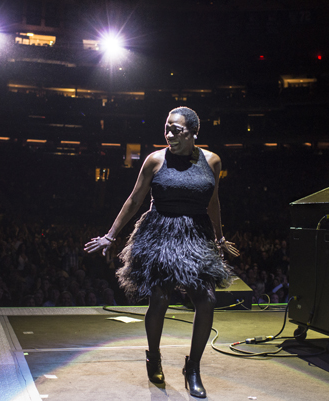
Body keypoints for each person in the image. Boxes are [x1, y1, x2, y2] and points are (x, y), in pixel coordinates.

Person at [84, 107, 239, 398]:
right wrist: (110, 236)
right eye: (166, 128)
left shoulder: (212, 161)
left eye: (176, 130)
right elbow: (134, 200)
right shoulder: (155, 160)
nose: (169, 135)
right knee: (160, 298)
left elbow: (213, 202)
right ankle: (153, 357)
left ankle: (192, 368)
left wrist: (219, 238)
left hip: (195, 234)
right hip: (161, 233)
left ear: (193, 133)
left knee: (206, 301)